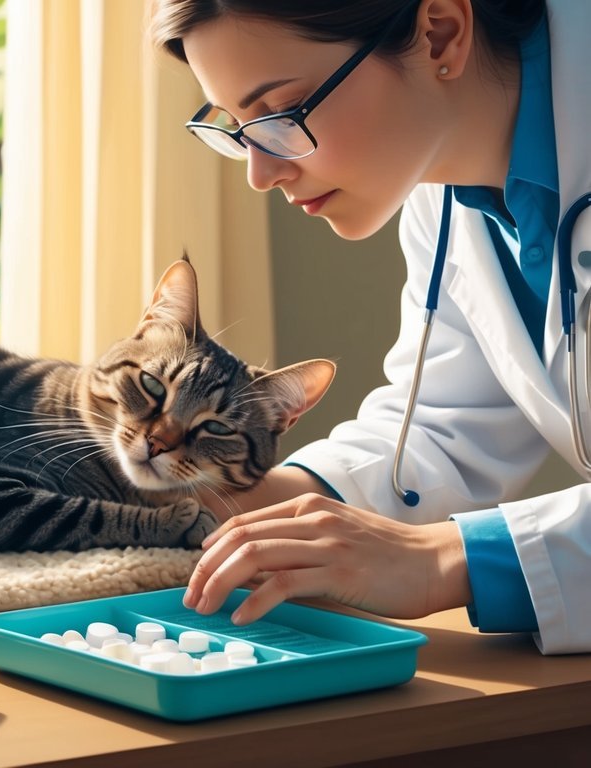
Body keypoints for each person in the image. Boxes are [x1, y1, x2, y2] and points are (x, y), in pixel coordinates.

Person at [152, 0, 591, 654]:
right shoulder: (442, 184)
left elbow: (429, 536)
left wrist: (444, 559)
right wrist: (235, 501)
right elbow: (445, 426)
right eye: (236, 129)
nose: (260, 172)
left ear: (440, 32)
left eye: (279, 114)